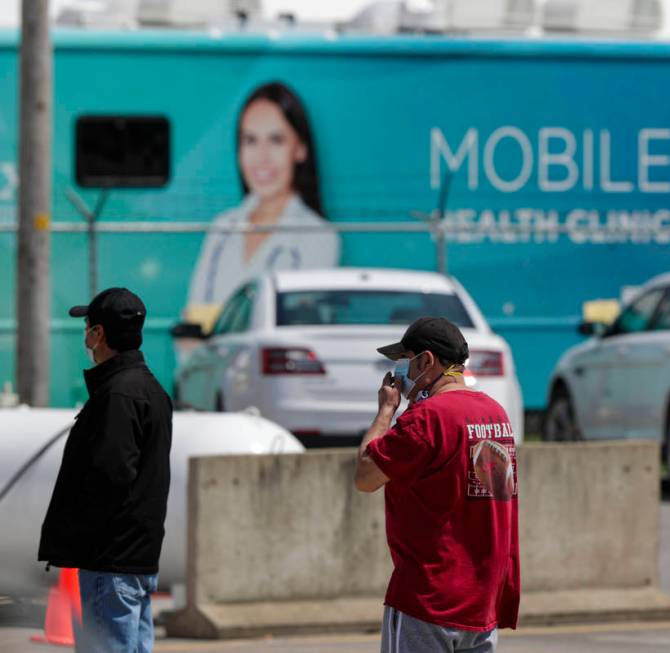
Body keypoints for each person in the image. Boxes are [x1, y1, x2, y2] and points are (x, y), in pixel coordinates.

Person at [354, 317, 520, 653]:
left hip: (427, 601)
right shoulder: (495, 414)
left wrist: (386, 410)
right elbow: (494, 499)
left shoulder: (427, 418)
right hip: (481, 603)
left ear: (426, 361)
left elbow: (365, 475)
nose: (399, 372)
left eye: (404, 361)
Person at [38, 288, 174, 653]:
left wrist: (75, 532)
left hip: (110, 562)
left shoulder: (117, 395)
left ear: (98, 334)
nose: (84, 335)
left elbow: (109, 477)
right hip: (139, 558)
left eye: (87, 326)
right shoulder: (153, 391)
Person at [185, 81, 339, 326]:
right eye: (250, 140)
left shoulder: (319, 237)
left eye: (276, 140)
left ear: (300, 148)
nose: (261, 157)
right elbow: (192, 324)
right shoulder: (222, 227)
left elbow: (298, 329)